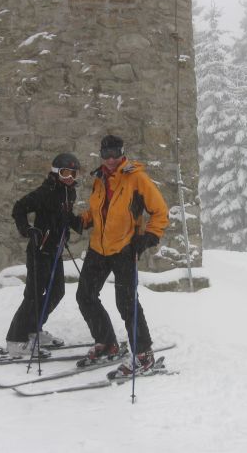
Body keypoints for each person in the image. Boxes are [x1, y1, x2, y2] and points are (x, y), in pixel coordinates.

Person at [72, 135, 169, 375]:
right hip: (98, 248)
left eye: (115, 153)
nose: (111, 159)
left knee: (126, 303)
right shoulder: (100, 178)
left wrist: (148, 237)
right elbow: (99, 211)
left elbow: (160, 211)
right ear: (101, 155)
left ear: (122, 152)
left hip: (125, 248)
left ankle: (144, 355)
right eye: (107, 154)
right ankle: (107, 344)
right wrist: (79, 221)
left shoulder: (136, 178)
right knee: (85, 296)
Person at [5, 153, 81, 357]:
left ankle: (34, 330)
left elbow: (64, 216)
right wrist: (27, 230)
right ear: (56, 172)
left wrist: (79, 223)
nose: (70, 177)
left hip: (55, 251)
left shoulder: (69, 193)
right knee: (34, 296)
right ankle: (15, 339)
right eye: (65, 173)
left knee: (57, 293)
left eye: (73, 173)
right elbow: (19, 208)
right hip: (39, 251)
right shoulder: (45, 192)